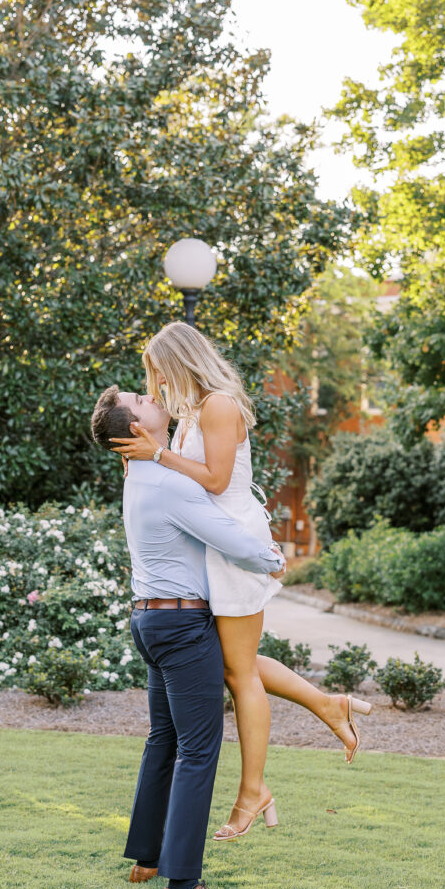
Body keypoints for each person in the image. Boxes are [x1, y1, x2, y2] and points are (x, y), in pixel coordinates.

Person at [109, 321, 372, 842]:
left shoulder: (219, 405)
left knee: (239, 672)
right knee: (237, 664)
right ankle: (326, 705)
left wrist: (158, 455)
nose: (154, 383)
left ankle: (253, 791)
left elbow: (216, 482)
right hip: (216, 544)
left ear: (178, 362)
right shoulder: (192, 413)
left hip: (235, 542)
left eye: (156, 372)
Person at [91, 384, 286, 889]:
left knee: (164, 741)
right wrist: (272, 556)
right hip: (181, 627)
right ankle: (184, 887)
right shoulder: (168, 483)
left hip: (151, 622)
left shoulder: (139, 474)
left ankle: (148, 859)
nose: (153, 396)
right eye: (142, 399)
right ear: (136, 428)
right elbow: (231, 538)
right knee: (198, 752)